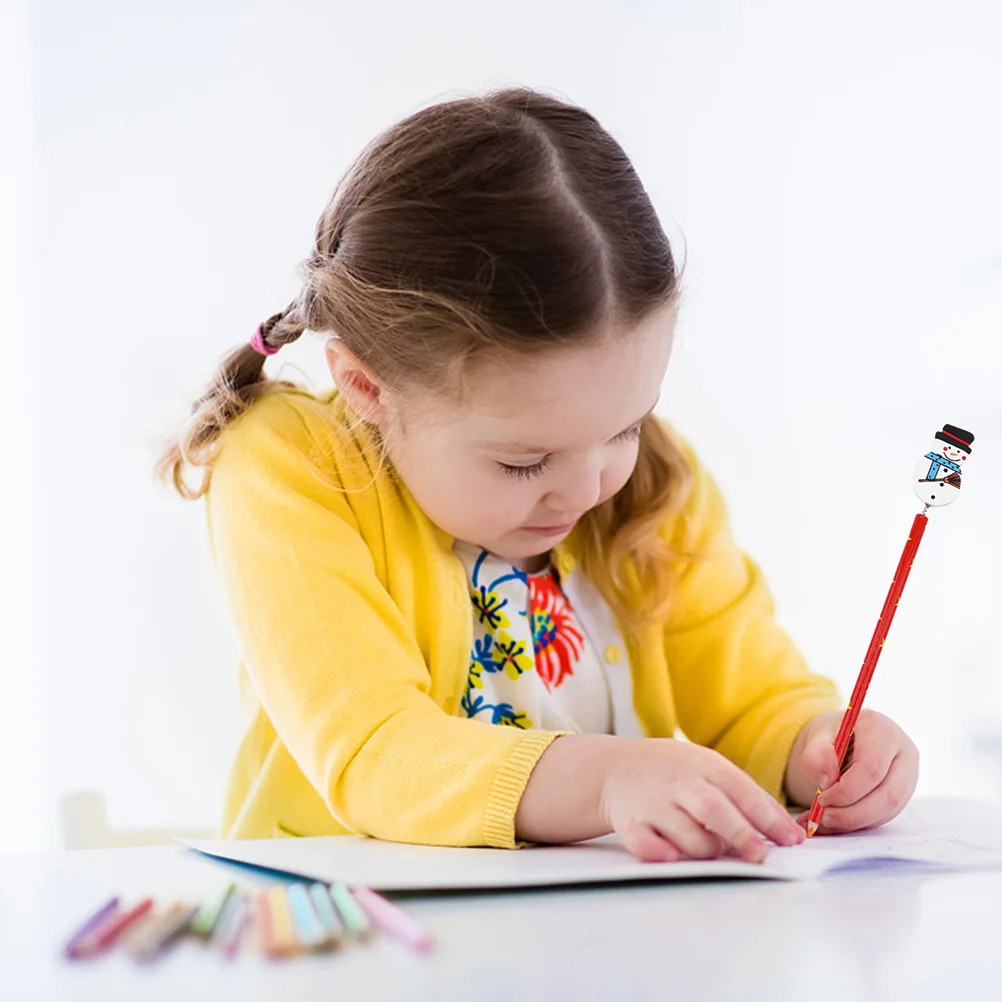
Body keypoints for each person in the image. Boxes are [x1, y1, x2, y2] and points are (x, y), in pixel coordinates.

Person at [157, 88, 918, 861]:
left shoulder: (653, 483)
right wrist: (608, 780)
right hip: (361, 942)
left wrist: (815, 742)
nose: (588, 490)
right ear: (368, 389)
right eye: (525, 462)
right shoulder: (296, 466)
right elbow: (376, 750)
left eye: (627, 425)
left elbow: (750, 691)